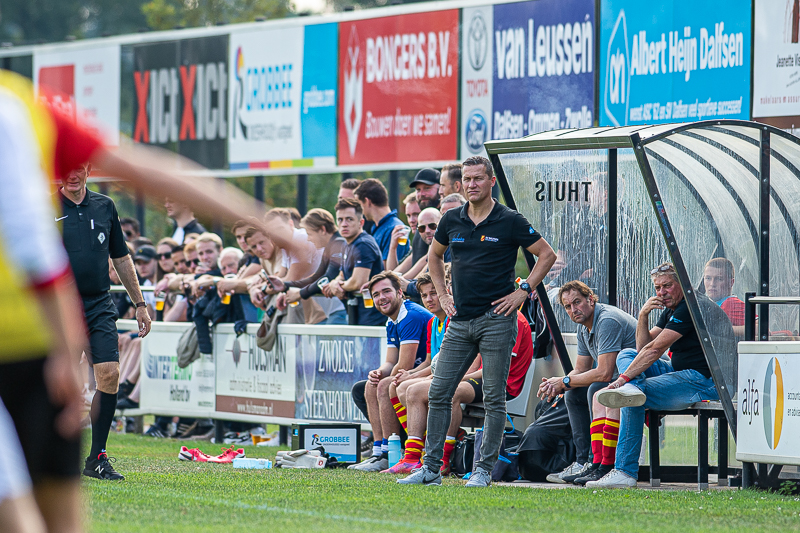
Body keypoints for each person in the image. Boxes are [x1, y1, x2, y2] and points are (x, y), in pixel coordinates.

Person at [399, 155, 555, 487]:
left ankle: (483, 470)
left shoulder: (509, 219)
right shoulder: (451, 218)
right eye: (467, 179)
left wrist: (523, 291)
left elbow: (547, 254)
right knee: (439, 391)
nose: (472, 184)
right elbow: (433, 255)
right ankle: (430, 469)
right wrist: (443, 295)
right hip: (459, 321)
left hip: (497, 320)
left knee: (494, 399)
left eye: (478, 178)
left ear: (491, 181)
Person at [588, 262, 730, 488]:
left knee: (632, 396)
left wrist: (624, 379)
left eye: (667, 286)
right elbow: (642, 347)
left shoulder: (692, 306)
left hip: (706, 381)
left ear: (681, 284)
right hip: (680, 371)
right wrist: (643, 315)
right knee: (627, 354)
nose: (662, 292)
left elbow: (655, 350)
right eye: (657, 288)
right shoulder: (673, 307)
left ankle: (624, 471)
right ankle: (633, 389)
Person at [58, 163, 151, 481]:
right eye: (65, 168)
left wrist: (140, 304)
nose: (72, 175)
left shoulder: (105, 205)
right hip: (61, 306)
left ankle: (97, 457)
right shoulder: (45, 207)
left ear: (88, 169)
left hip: (98, 304)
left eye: (78, 168)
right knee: (59, 382)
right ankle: (49, 456)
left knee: (109, 375)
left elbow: (121, 257)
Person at [540, 281, 637, 486]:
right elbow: (581, 369)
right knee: (573, 394)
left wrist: (564, 381)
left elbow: (604, 373)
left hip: (642, 378)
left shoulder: (607, 320)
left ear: (590, 299)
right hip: (617, 381)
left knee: (595, 389)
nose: (573, 309)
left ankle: (601, 463)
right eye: (567, 306)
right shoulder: (584, 328)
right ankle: (583, 462)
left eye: (577, 302)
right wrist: (557, 384)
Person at [349, 272, 432, 472]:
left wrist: (385, 377)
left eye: (386, 291)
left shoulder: (410, 315)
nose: (381, 298)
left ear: (400, 292)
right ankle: (379, 450)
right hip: (416, 375)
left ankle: (391, 452)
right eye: (376, 295)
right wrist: (378, 372)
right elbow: (390, 362)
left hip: (426, 374)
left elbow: (404, 365)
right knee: (369, 385)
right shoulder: (391, 321)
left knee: (385, 384)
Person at [269, 209, 348, 325]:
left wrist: (300, 293)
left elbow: (328, 277)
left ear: (322, 230)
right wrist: (285, 285)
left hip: (341, 310)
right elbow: (316, 277)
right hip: (334, 310)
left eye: (310, 234)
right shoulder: (330, 246)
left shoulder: (338, 243)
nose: (308, 239)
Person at [324, 198, 385, 326]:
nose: (344, 224)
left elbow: (358, 282)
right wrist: (335, 283)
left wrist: (336, 287)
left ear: (361, 222)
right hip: (357, 315)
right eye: (340, 220)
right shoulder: (347, 244)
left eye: (349, 219)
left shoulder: (363, 244)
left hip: (373, 317)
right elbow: (342, 274)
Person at [354, 178, 409, 263]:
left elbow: (390, 268)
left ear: (367, 201)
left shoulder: (395, 229)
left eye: (359, 205)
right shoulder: (377, 227)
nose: (359, 210)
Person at [703, 257, 745, 337]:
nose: (712, 284)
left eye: (719, 279)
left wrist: (723, 330)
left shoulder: (731, 303)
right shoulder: (711, 305)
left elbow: (761, 329)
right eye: (708, 278)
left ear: (731, 282)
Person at [386, 192, 423, 274]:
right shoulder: (415, 247)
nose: (411, 220)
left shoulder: (429, 243)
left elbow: (393, 276)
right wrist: (393, 247)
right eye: (408, 216)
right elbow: (392, 272)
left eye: (416, 214)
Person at [133, 244, 157, 312]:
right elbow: (150, 313)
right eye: (139, 263)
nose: (142, 267)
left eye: (146, 262)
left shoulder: (163, 282)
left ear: (156, 261)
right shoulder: (146, 284)